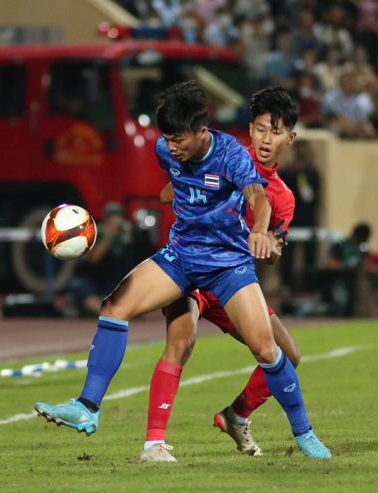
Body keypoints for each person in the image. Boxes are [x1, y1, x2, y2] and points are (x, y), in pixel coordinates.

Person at [33, 81, 331, 461]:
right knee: (115, 308)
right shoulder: (165, 149)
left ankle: (302, 434)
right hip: (181, 258)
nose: (172, 146)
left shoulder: (234, 159)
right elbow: (173, 186)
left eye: (179, 139)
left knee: (270, 350)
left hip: (227, 266)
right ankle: (90, 408)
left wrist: (260, 233)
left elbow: (258, 199)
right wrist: (182, 190)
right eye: (259, 128)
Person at [140, 86, 323, 462]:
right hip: (191, 269)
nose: (265, 139)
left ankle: (236, 415)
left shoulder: (283, 198)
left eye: (275, 132)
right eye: (259, 129)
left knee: (288, 354)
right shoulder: (225, 155)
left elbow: (271, 251)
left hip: (232, 281)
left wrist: (270, 247)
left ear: (290, 138)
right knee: (181, 339)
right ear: (250, 129)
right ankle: (153, 442)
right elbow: (168, 191)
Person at [64, 202, 136, 317]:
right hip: (93, 280)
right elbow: (94, 259)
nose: (115, 220)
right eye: (111, 216)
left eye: (118, 216)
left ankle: (119, 311)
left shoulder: (126, 237)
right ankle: (110, 314)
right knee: (78, 287)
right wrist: (110, 234)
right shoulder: (96, 233)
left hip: (113, 281)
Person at [326, 223, 378, 318]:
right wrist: (345, 266)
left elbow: (365, 264)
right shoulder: (341, 245)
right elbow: (330, 263)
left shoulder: (362, 248)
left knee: (375, 278)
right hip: (341, 278)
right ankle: (337, 318)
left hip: (358, 278)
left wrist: (370, 269)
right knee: (341, 299)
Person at [279, 139, 321, 293]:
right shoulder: (287, 172)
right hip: (290, 220)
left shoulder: (312, 172)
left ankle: (310, 286)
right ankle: (286, 285)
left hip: (308, 219)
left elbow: (315, 198)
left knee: (310, 254)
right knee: (287, 253)